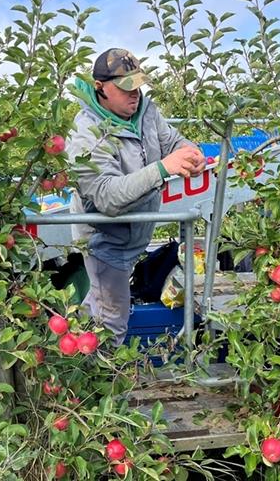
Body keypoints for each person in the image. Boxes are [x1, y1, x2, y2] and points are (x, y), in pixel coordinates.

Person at [67, 48, 205, 345]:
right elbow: (107, 196)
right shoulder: (86, 133)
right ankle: (101, 385)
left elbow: (172, 141)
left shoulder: (145, 111)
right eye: (126, 87)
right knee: (111, 324)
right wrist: (162, 169)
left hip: (134, 236)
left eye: (138, 85)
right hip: (105, 242)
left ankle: (78, 369)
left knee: (102, 308)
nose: (135, 94)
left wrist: (191, 153)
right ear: (100, 88)